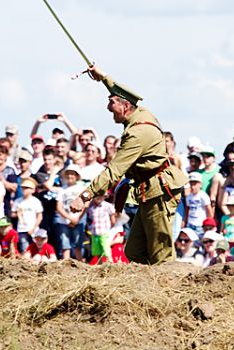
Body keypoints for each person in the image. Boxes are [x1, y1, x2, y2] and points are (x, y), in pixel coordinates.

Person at [70, 66, 187, 265]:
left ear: (125, 106)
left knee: (162, 256)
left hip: (159, 192)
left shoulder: (136, 134)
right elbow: (123, 94)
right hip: (149, 191)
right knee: (134, 251)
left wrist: (85, 196)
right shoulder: (142, 113)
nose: (108, 108)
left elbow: (114, 171)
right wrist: (103, 78)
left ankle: (168, 291)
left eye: (111, 104)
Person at [12, 177, 43, 253]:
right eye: (23, 188)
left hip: (33, 229)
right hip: (22, 229)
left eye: (27, 188)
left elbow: (39, 216)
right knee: (24, 248)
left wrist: (33, 228)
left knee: (36, 248)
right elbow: (12, 214)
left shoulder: (36, 201)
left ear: (32, 190)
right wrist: (17, 214)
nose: (24, 190)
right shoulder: (17, 201)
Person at [88, 194, 116, 263]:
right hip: (95, 232)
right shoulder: (92, 208)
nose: (98, 197)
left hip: (104, 231)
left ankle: (110, 263)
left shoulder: (107, 206)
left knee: (106, 249)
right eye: (96, 196)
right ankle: (100, 264)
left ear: (104, 197)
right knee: (97, 250)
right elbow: (91, 219)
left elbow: (112, 217)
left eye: (100, 195)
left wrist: (111, 225)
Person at [184, 172, 212, 238]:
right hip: (190, 223)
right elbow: (187, 210)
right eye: (191, 184)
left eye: (195, 184)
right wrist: (185, 221)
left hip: (200, 224)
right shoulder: (189, 197)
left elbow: (209, 210)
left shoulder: (203, 196)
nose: (193, 187)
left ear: (200, 184)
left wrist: (208, 223)